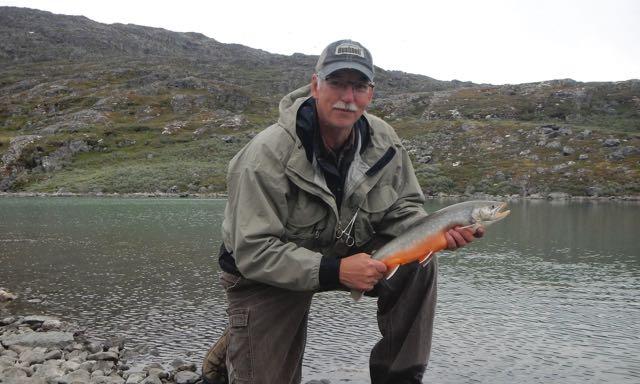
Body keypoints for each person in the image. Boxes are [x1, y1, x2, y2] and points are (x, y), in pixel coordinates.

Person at [208, 39, 482, 384]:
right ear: (315, 85)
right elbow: (253, 250)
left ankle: (400, 378)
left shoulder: (385, 140)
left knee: (419, 264)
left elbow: (404, 209)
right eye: (337, 83)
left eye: (359, 86)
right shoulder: (264, 155)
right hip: (264, 274)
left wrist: (437, 233)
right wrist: (335, 270)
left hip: (344, 252)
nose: (348, 97)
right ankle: (241, 339)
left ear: (370, 93)